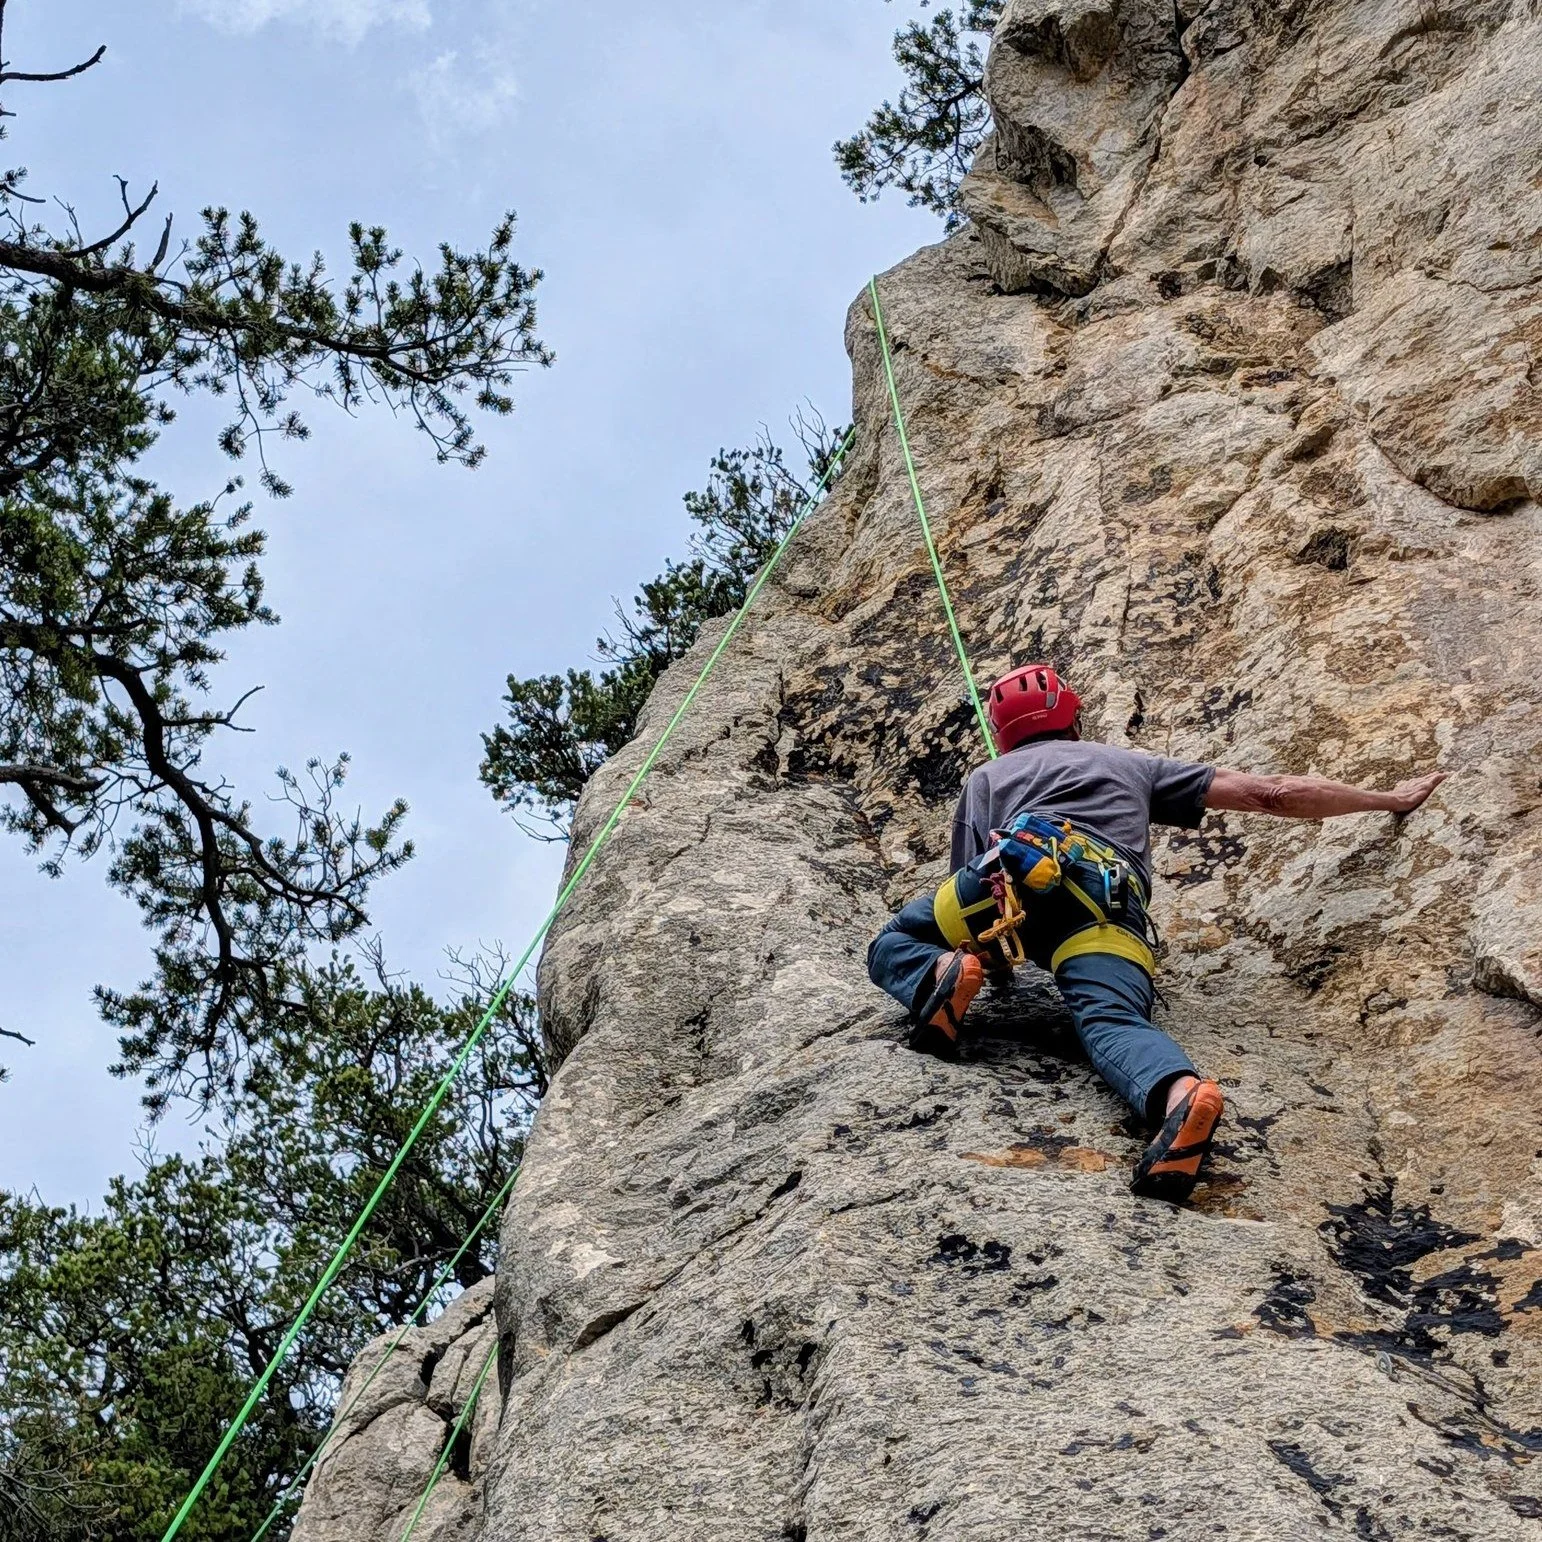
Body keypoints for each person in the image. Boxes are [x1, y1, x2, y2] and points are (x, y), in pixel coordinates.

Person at [866, 663, 1446, 1201]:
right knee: (1112, 1021)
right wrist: (1388, 798)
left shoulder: (986, 778)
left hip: (1005, 881)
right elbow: (1271, 794)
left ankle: (936, 975)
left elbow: (971, 899)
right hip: (1104, 908)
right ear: (1072, 715)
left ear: (1003, 733)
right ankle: (1180, 1097)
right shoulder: (1129, 764)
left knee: (892, 943)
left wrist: (984, 970)